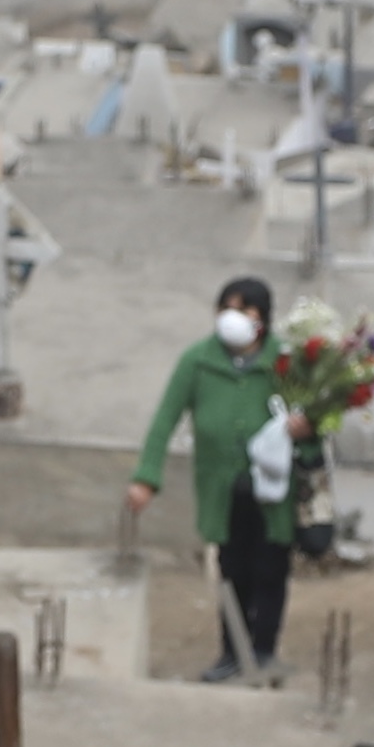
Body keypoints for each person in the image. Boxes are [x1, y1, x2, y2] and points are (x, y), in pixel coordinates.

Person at [127, 275, 309, 683]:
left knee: (270, 570)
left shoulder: (284, 363)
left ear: (263, 319)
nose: (234, 318)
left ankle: (264, 652)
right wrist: (146, 478)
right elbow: (164, 421)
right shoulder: (198, 361)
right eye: (227, 308)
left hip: (274, 492)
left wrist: (305, 431)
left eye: (245, 310)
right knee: (233, 570)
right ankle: (232, 652)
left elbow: (314, 424)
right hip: (224, 492)